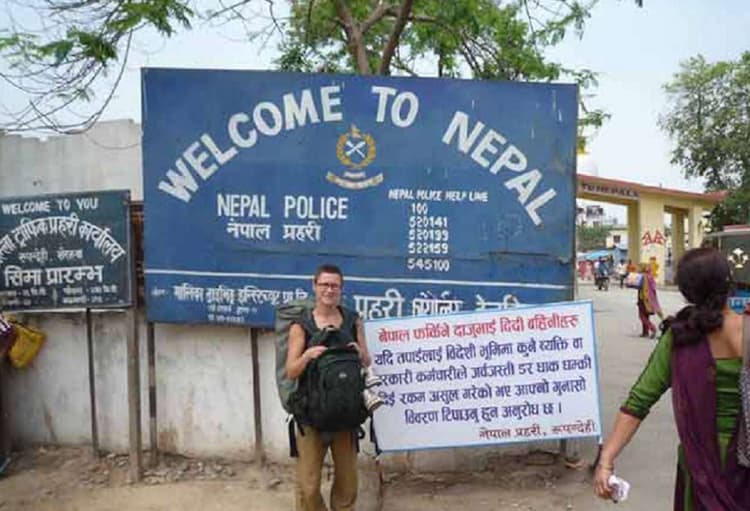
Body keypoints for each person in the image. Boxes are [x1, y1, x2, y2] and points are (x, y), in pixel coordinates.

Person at [594, 247, 750, 509]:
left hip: (699, 470)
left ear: (687, 292)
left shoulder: (681, 337)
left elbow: (638, 401)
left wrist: (606, 460)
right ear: (729, 282)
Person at [285, 264, 371, 511]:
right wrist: (307, 356)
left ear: (341, 289)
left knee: (348, 485)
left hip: (345, 412)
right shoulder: (301, 326)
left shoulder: (353, 320)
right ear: (314, 286)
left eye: (335, 285)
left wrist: (359, 352)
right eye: (324, 284)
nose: (329, 290)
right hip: (311, 415)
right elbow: (291, 371)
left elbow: (366, 361)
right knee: (308, 486)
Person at [637, 262, 663, 338]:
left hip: (643, 298)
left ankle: (652, 328)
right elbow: (654, 288)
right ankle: (645, 332)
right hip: (650, 299)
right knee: (646, 315)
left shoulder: (642, 277)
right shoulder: (651, 276)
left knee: (641, 316)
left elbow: (636, 285)